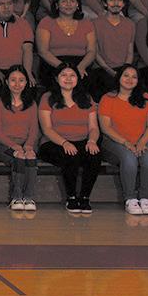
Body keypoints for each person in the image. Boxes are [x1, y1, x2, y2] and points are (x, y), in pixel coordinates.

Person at [38, 64, 102, 217]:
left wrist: (92, 141)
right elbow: (47, 129)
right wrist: (65, 143)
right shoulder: (47, 98)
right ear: (56, 78)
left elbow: (94, 127)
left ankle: (85, 197)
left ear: (78, 79)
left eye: (72, 75)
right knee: (70, 155)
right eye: (63, 75)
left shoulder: (87, 98)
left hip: (82, 140)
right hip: (53, 142)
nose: (68, 79)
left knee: (94, 155)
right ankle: (71, 197)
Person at [0, 66, 41, 214]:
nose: (17, 84)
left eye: (21, 80)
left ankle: (28, 198)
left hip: (26, 145)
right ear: (6, 82)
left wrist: (29, 146)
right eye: (13, 80)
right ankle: (16, 197)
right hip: (2, 145)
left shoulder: (32, 104)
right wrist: (14, 146)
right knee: (19, 156)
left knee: (30, 156)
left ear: (26, 82)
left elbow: (34, 130)